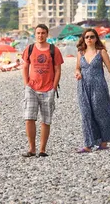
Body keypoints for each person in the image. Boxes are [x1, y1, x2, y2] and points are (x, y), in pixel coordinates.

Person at [75, 29, 110, 153]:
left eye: (92, 37)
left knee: (101, 113)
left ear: (96, 39)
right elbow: (77, 68)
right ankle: (88, 144)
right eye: (87, 37)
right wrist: (78, 73)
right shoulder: (81, 53)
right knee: (86, 114)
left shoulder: (101, 52)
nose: (89, 39)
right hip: (83, 87)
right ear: (84, 39)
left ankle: (104, 141)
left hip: (99, 86)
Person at [21, 24, 64, 157]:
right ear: (35, 34)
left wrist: (54, 86)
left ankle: (42, 149)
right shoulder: (29, 49)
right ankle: (32, 148)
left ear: (47, 34)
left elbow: (58, 69)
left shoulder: (54, 50)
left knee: (46, 120)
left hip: (48, 88)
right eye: (38, 33)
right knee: (29, 118)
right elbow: (25, 67)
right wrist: (26, 84)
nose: (40, 35)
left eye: (43, 33)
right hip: (32, 88)